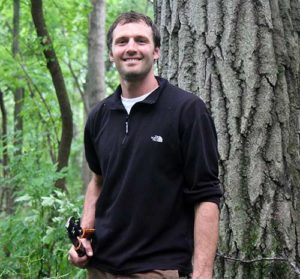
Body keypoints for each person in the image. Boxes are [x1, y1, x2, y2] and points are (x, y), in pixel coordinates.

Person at [68, 11, 222, 279]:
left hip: (159, 268)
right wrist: (86, 237)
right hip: (101, 267)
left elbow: (206, 195)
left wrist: (202, 273)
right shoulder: (99, 116)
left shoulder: (187, 110)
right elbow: (98, 182)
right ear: (111, 53)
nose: (131, 48)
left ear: (157, 51)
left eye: (141, 40)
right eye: (122, 41)